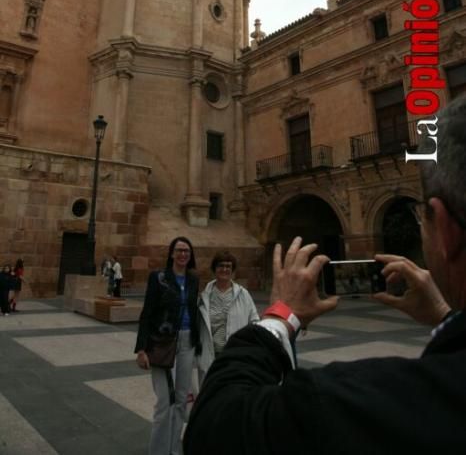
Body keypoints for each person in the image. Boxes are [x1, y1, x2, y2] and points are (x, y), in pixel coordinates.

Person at [184, 93, 466, 455]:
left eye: (420, 215)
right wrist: (447, 317)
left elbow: (214, 428)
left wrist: (280, 315)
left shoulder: (373, 405)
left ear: (445, 229)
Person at [135, 236, 200, 455]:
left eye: (187, 251)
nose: (183, 254)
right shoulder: (159, 278)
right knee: (164, 402)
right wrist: (141, 348)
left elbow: (194, 310)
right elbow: (147, 313)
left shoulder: (193, 279)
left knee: (181, 401)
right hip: (162, 343)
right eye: (179, 250)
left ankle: (174, 449)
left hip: (187, 341)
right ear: (172, 253)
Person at [197, 250, 259, 383]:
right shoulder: (204, 296)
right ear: (214, 269)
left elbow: (254, 322)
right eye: (221, 265)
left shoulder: (243, 295)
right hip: (211, 354)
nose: (224, 269)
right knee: (210, 391)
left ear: (233, 270)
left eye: (228, 266)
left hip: (234, 353)